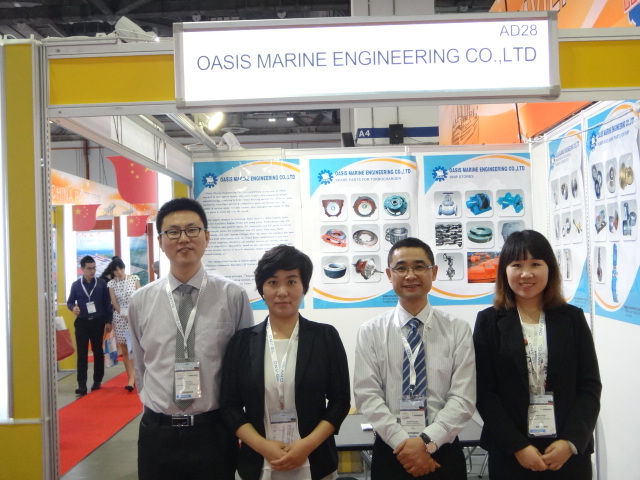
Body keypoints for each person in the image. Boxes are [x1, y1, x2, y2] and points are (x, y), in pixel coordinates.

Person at [128, 197, 254, 480]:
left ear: (206, 236)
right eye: (173, 232)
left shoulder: (232, 296)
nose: (183, 239)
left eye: (192, 230)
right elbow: (141, 363)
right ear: (161, 241)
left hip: (214, 431)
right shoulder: (141, 301)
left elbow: (244, 365)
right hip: (157, 433)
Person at [473, 229, 601, 479]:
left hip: (566, 451)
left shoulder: (572, 318)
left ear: (549, 268)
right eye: (517, 265)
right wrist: (517, 446)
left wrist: (570, 442)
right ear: (504, 271)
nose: (526, 273)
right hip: (511, 452)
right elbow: (484, 392)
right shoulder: (488, 321)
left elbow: (589, 386)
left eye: (535, 264)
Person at [220, 245, 351, 480]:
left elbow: (340, 401)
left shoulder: (325, 337)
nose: (282, 292)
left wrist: (306, 445)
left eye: (291, 281)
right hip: (258, 462)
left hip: (315, 460)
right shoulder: (241, 342)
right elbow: (229, 406)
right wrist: (262, 446)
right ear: (262, 289)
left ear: (304, 287)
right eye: (272, 282)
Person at [354, 237, 476, 480]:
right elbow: (367, 395)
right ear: (389, 274)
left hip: (443, 450)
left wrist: (426, 442)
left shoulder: (458, 329)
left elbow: (463, 397)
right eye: (401, 268)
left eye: (419, 267)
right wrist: (404, 444)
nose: (410, 275)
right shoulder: (371, 331)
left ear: (434, 272)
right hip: (392, 451)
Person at [66, 255, 113, 396]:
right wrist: (73, 308)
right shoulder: (76, 285)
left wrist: (108, 321)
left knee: (98, 351)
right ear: (82, 269)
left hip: (98, 322)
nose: (92, 271)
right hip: (82, 322)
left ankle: (97, 380)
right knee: (82, 354)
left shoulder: (101, 284)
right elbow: (70, 302)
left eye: (94, 268)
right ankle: (81, 385)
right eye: (89, 268)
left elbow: (107, 304)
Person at [107, 256, 140, 392]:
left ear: (124, 268)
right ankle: (130, 379)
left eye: (121, 269)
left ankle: (134, 379)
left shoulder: (134, 278)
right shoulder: (111, 284)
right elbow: (114, 302)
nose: (119, 272)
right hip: (120, 318)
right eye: (116, 270)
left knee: (134, 349)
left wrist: (131, 314)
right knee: (125, 350)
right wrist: (122, 313)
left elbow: (139, 298)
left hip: (133, 316)